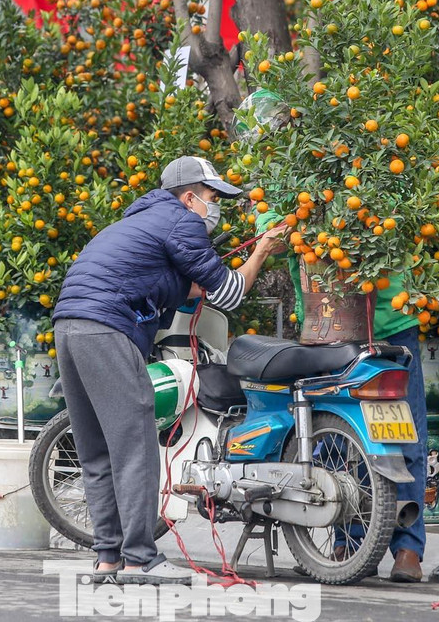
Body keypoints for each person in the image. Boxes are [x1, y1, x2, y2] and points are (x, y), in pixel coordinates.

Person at [51, 155, 290, 585]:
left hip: (69, 327)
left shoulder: (138, 222)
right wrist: (261, 251)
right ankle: (140, 560)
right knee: (136, 444)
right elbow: (230, 294)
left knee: (97, 449)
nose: (214, 207)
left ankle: (109, 559)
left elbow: (182, 285)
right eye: (212, 197)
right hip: (107, 329)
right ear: (189, 197)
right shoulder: (182, 222)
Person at [255, 206, 429, 583]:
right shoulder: (296, 186)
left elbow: (406, 220)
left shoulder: (385, 184)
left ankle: (408, 548)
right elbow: (269, 227)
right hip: (326, 325)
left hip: (391, 321)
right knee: (335, 437)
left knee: (403, 436)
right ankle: (347, 542)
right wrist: (296, 224)